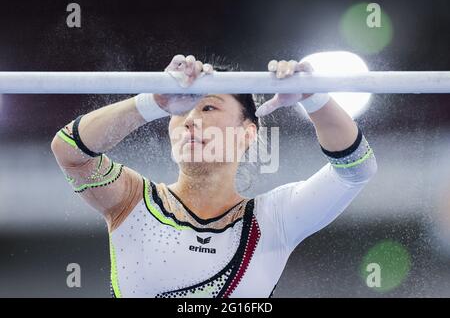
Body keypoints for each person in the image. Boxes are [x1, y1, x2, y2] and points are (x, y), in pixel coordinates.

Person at [51, 54, 377, 298]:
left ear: (248, 133)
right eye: (180, 110)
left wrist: (315, 98)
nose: (190, 120)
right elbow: (69, 152)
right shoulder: (132, 201)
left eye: (208, 107)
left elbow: (355, 171)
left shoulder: (274, 218)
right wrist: (153, 102)